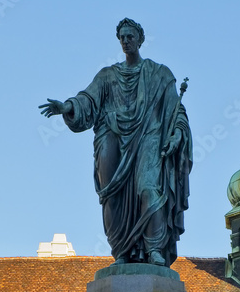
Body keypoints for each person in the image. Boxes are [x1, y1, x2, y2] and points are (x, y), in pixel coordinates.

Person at [39, 18, 192, 266]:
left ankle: (154, 248)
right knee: (112, 196)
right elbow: (87, 99)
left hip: (148, 138)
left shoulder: (160, 75)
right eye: (121, 37)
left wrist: (176, 134)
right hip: (111, 135)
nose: (125, 41)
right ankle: (121, 250)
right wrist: (67, 106)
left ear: (140, 39)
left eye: (130, 36)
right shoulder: (108, 76)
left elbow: (177, 111)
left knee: (149, 189)